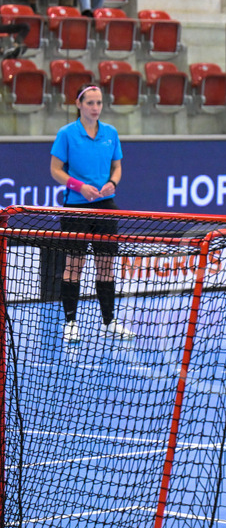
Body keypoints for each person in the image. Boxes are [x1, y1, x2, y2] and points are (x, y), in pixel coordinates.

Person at [49, 85, 135, 343]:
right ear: (79, 104)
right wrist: (80, 187)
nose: (95, 108)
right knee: (74, 266)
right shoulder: (66, 134)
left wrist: (113, 183)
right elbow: (55, 170)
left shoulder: (111, 133)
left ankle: (109, 322)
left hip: (105, 207)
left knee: (106, 267)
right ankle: (70, 323)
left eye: (99, 103)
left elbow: (117, 167)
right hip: (76, 208)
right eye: (90, 103)